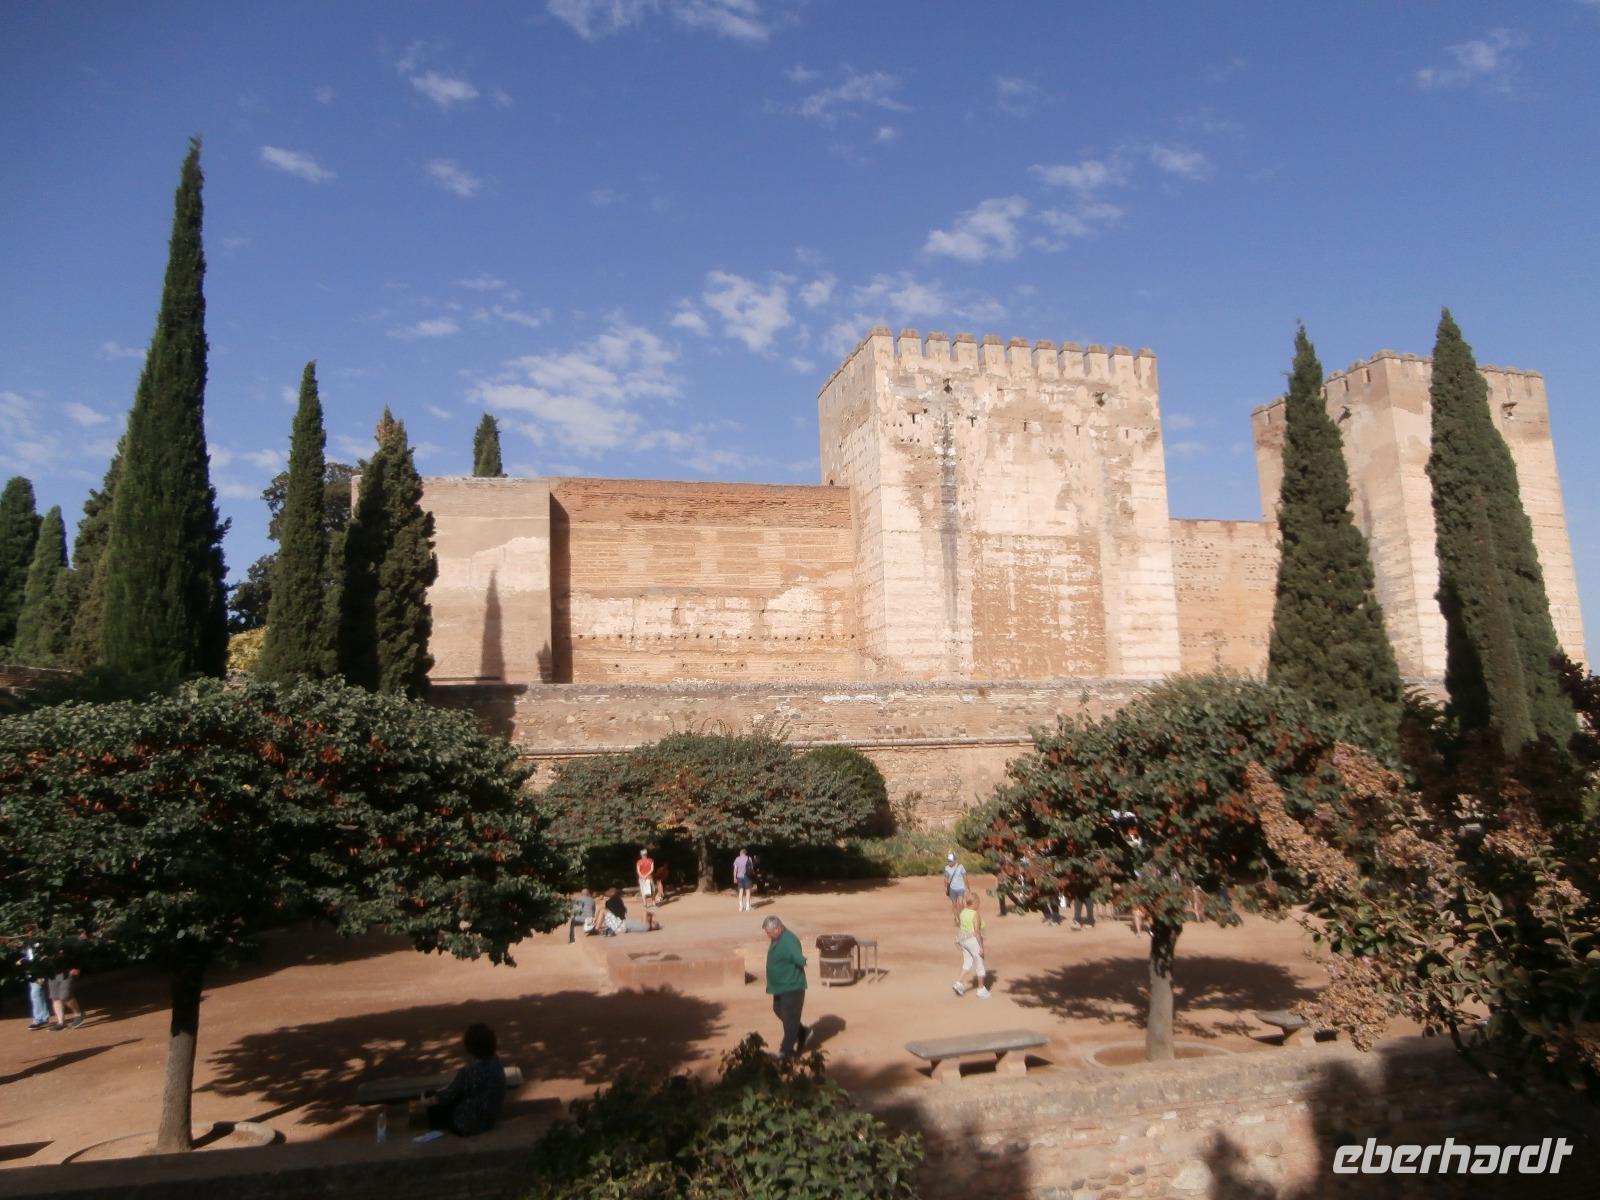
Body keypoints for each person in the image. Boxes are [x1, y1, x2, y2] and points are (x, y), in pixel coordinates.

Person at [426, 1023, 507, 1137]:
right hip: (489, 1120)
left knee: (432, 1097)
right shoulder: (497, 1064)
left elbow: (450, 1094)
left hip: (466, 1124)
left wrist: (431, 1098)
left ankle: (435, 1133)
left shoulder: (470, 1070)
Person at [762, 915, 808, 1058]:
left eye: (769, 932)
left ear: (777, 928)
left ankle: (786, 1050)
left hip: (792, 986)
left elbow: (799, 959)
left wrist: (801, 960)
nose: (767, 935)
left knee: (790, 1018)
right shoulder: (778, 938)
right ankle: (802, 1032)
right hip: (781, 986)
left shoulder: (788, 940)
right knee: (778, 1010)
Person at [952, 894, 991, 998]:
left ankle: (958, 983)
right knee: (980, 963)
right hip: (973, 941)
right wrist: (981, 946)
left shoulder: (963, 912)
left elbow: (961, 926)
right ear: (973, 903)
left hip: (963, 940)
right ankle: (981, 989)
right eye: (978, 902)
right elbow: (977, 931)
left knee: (967, 962)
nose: (979, 904)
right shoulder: (975, 914)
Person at [943, 853, 968, 920]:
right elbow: (946, 878)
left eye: (950, 861)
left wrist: (967, 887)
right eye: (948, 861)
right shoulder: (947, 868)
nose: (949, 862)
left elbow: (965, 877)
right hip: (952, 888)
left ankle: (962, 917)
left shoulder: (960, 866)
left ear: (955, 861)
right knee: (954, 904)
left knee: (960, 903)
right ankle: (957, 918)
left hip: (960, 887)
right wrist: (945, 887)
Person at [733, 847, 754, 912]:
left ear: (741, 853)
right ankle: (747, 906)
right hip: (747, 876)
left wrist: (734, 877)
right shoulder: (749, 858)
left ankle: (741, 906)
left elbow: (735, 869)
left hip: (739, 876)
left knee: (741, 891)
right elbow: (751, 868)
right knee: (748, 891)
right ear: (745, 853)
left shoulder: (737, 859)